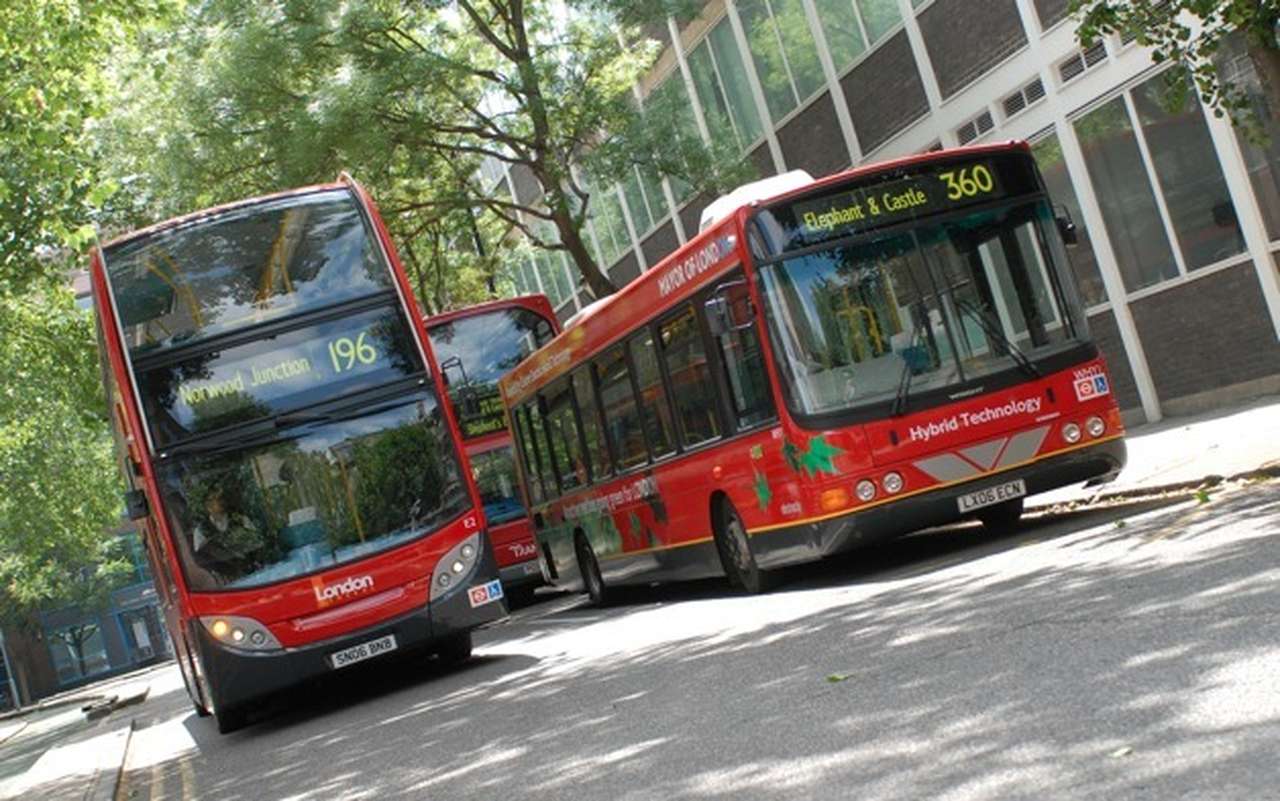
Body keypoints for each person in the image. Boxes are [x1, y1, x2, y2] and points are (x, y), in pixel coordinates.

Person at [190, 485, 267, 584]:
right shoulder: (200, 531)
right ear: (208, 506)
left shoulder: (241, 519)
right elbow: (202, 561)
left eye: (221, 498)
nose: (221, 502)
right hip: (226, 581)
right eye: (216, 499)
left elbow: (258, 543)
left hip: (252, 573)